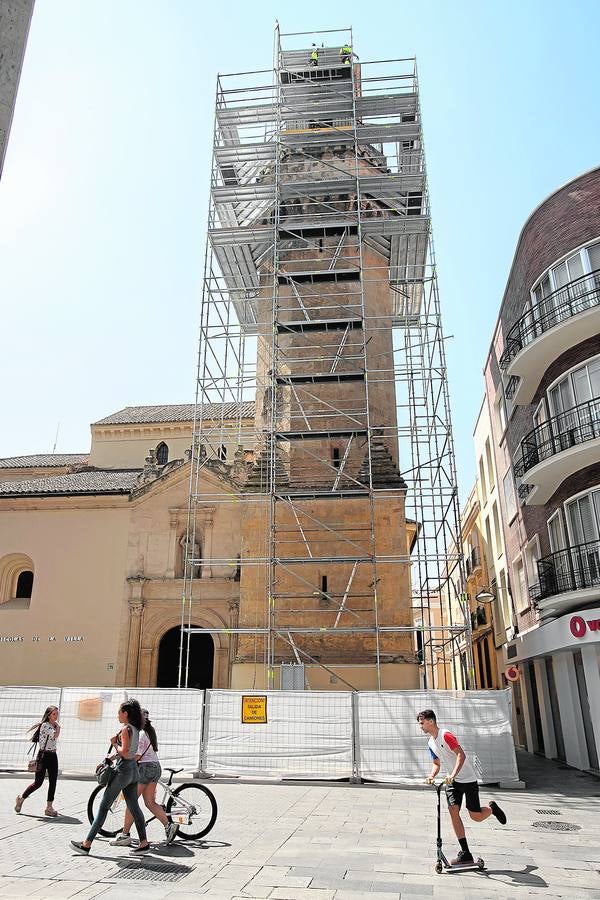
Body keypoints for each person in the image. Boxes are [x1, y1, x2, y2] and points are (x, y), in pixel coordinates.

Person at [417, 709, 507, 866]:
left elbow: (461, 755)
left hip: (467, 779)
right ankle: (465, 853)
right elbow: (436, 763)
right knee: (453, 811)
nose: (420, 726)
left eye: (422, 723)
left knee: (476, 816)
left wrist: (453, 773)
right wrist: (432, 775)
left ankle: (492, 809)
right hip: (452, 783)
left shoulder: (446, 735)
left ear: (431, 721)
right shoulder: (431, 742)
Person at [71, 699, 150, 855]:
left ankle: (86, 844)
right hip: (133, 770)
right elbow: (129, 753)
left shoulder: (125, 729)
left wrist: (115, 744)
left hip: (123, 771)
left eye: (119, 712)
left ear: (125, 713)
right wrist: (110, 758)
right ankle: (143, 843)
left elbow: (125, 751)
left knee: (103, 807)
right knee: (134, 807)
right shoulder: (135, 728)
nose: (117, 715)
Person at [110, 709, 178, 846]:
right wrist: (115, 756)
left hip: (145, 769)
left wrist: (116, 749)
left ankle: (125, 835)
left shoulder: (140, 734)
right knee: (150, 803)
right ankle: (169, 826)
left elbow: (136, 756)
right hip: (155, 767)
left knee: (131, 801)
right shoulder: (148, 732)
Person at [15, 705, 61, 817]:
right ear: (48, 715)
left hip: (53, 755)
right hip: (44, 755)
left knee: (53, 781)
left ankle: (49, 807)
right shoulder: (45, 726)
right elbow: (55, 735)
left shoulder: (53, 725)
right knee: (38, 783)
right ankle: (21, 799)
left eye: (57, 714)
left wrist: (57, 726)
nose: (56, 716)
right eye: (54, 714)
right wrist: (58, 727)